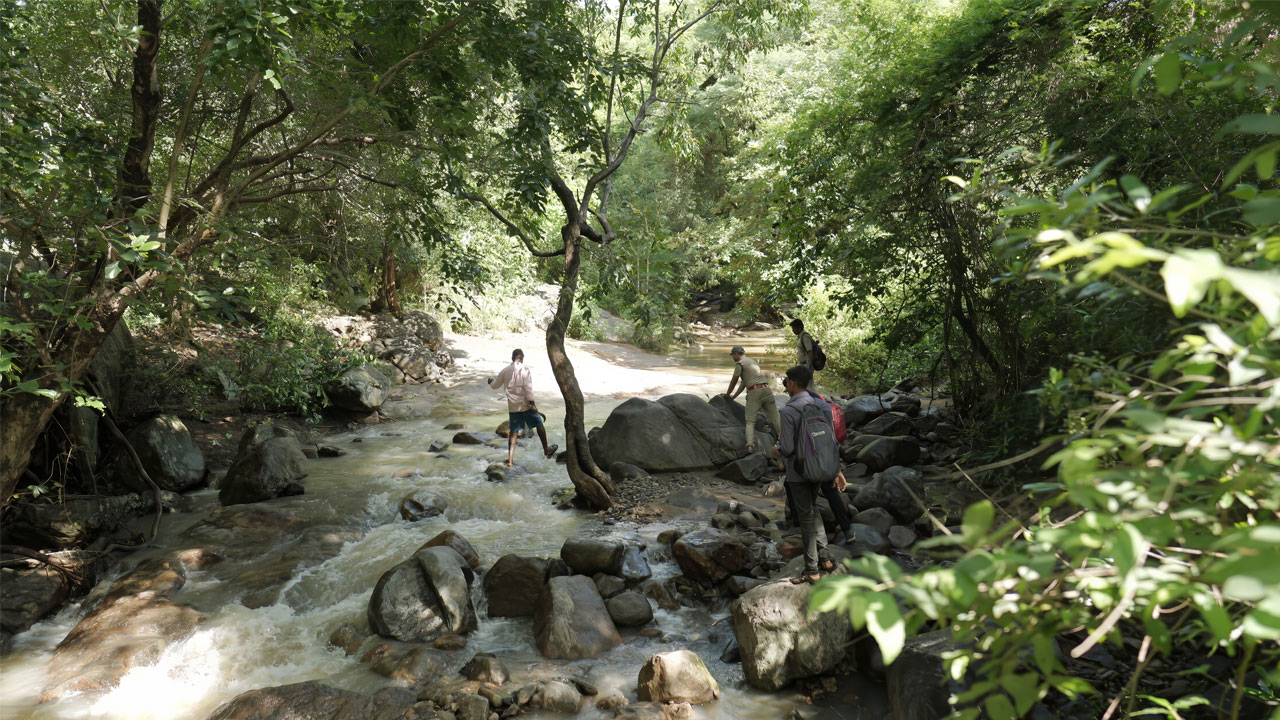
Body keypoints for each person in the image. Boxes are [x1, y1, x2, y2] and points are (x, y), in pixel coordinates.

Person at [773, 365, 839, 584]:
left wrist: (777, 450)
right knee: (812, 511)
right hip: (821, 467)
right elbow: (831, 440)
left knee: (806, 518)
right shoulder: (822, 405)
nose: (785, 385)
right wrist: (836, 469)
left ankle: (812, 570)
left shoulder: (789, 410)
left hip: (799, 472)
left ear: (792, 383)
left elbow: (788, 448)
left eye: (786, 381)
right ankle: (827, 558)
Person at [488, 349, 558, 467]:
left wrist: (490, 381)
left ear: (513, 358)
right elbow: (528, 389)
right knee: (539, 423)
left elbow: (495, 385)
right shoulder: (525, 370)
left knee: (513, 432)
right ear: (521, 358)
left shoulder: (505, 371)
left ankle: (510, 460)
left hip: (513, 407)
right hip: (526, 405)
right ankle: (546, 449)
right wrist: (533, 404)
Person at [724, 345, 781, 454]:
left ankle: (750, 445)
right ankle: (783, 439)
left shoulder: (740, 364)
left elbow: (734, 381)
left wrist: (727, 394)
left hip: (755, 392)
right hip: (766, 390)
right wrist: (733, 397)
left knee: (750, 421)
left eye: (733, 355)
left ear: (737, 354)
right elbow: (743, 384)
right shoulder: (752, 362)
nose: (732, 358)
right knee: (775, 417)